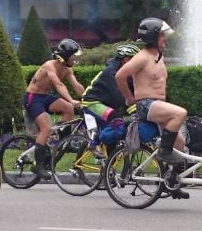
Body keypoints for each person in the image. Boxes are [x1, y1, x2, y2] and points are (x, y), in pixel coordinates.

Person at [115, 17, 189, 199]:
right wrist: (130, 98)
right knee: (181, 113)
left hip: (157, 105)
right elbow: (120, 76)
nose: (165, 39)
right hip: (146, 104)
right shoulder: (142, 57)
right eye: (162, 35)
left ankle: (171, 183)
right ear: (153, 37)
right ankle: (163, 152)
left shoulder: (157, 56)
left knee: (180, 144)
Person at [23, 38, 85, 179]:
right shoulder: (49, 66)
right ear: (64, 57)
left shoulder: (67, 69)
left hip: (44, 97)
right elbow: (58, 85)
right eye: (73, 56)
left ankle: (64, 143)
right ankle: (37, 166)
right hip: (32, 98)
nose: (75, 59)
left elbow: (76, 86)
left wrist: (87, 98)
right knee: (46, 128)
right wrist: (71, 99)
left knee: (68, 109)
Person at [81, 43, 140, 126]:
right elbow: (119, 94)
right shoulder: (110, 72)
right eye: (134, 59)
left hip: (108, 104)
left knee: (117, 124)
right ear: (125, 59)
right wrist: (133, 109)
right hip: (92, 102)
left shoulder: (127, 72)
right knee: (116, 120)